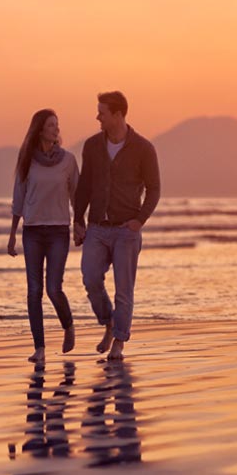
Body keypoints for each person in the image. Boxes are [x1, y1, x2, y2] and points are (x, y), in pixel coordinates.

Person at [73, 91, 161, 362]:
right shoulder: (91, 146)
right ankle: (108, 323)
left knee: (124, 289)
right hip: (97, 228)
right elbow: (84, 185)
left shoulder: (143, 148)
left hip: (126, 230)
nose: (97, 116)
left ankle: (119, 342)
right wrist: (78, 220)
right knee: (90, 278)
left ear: (118, 115)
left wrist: (139, 221)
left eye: (102, 112)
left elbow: (154, 189)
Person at [8, 109, 79, 363]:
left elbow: (76, 196)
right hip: (33, 231)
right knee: (33, 290)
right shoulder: (27, 159)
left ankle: (68, 325)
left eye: (57, 124)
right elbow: (19, 197)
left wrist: (80, 224)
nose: (56, 129)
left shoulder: (68, 160)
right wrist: (12, 234)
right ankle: (39, 348)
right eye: (51, 125)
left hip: (59, 230)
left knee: (53, 288)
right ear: (40, 130)